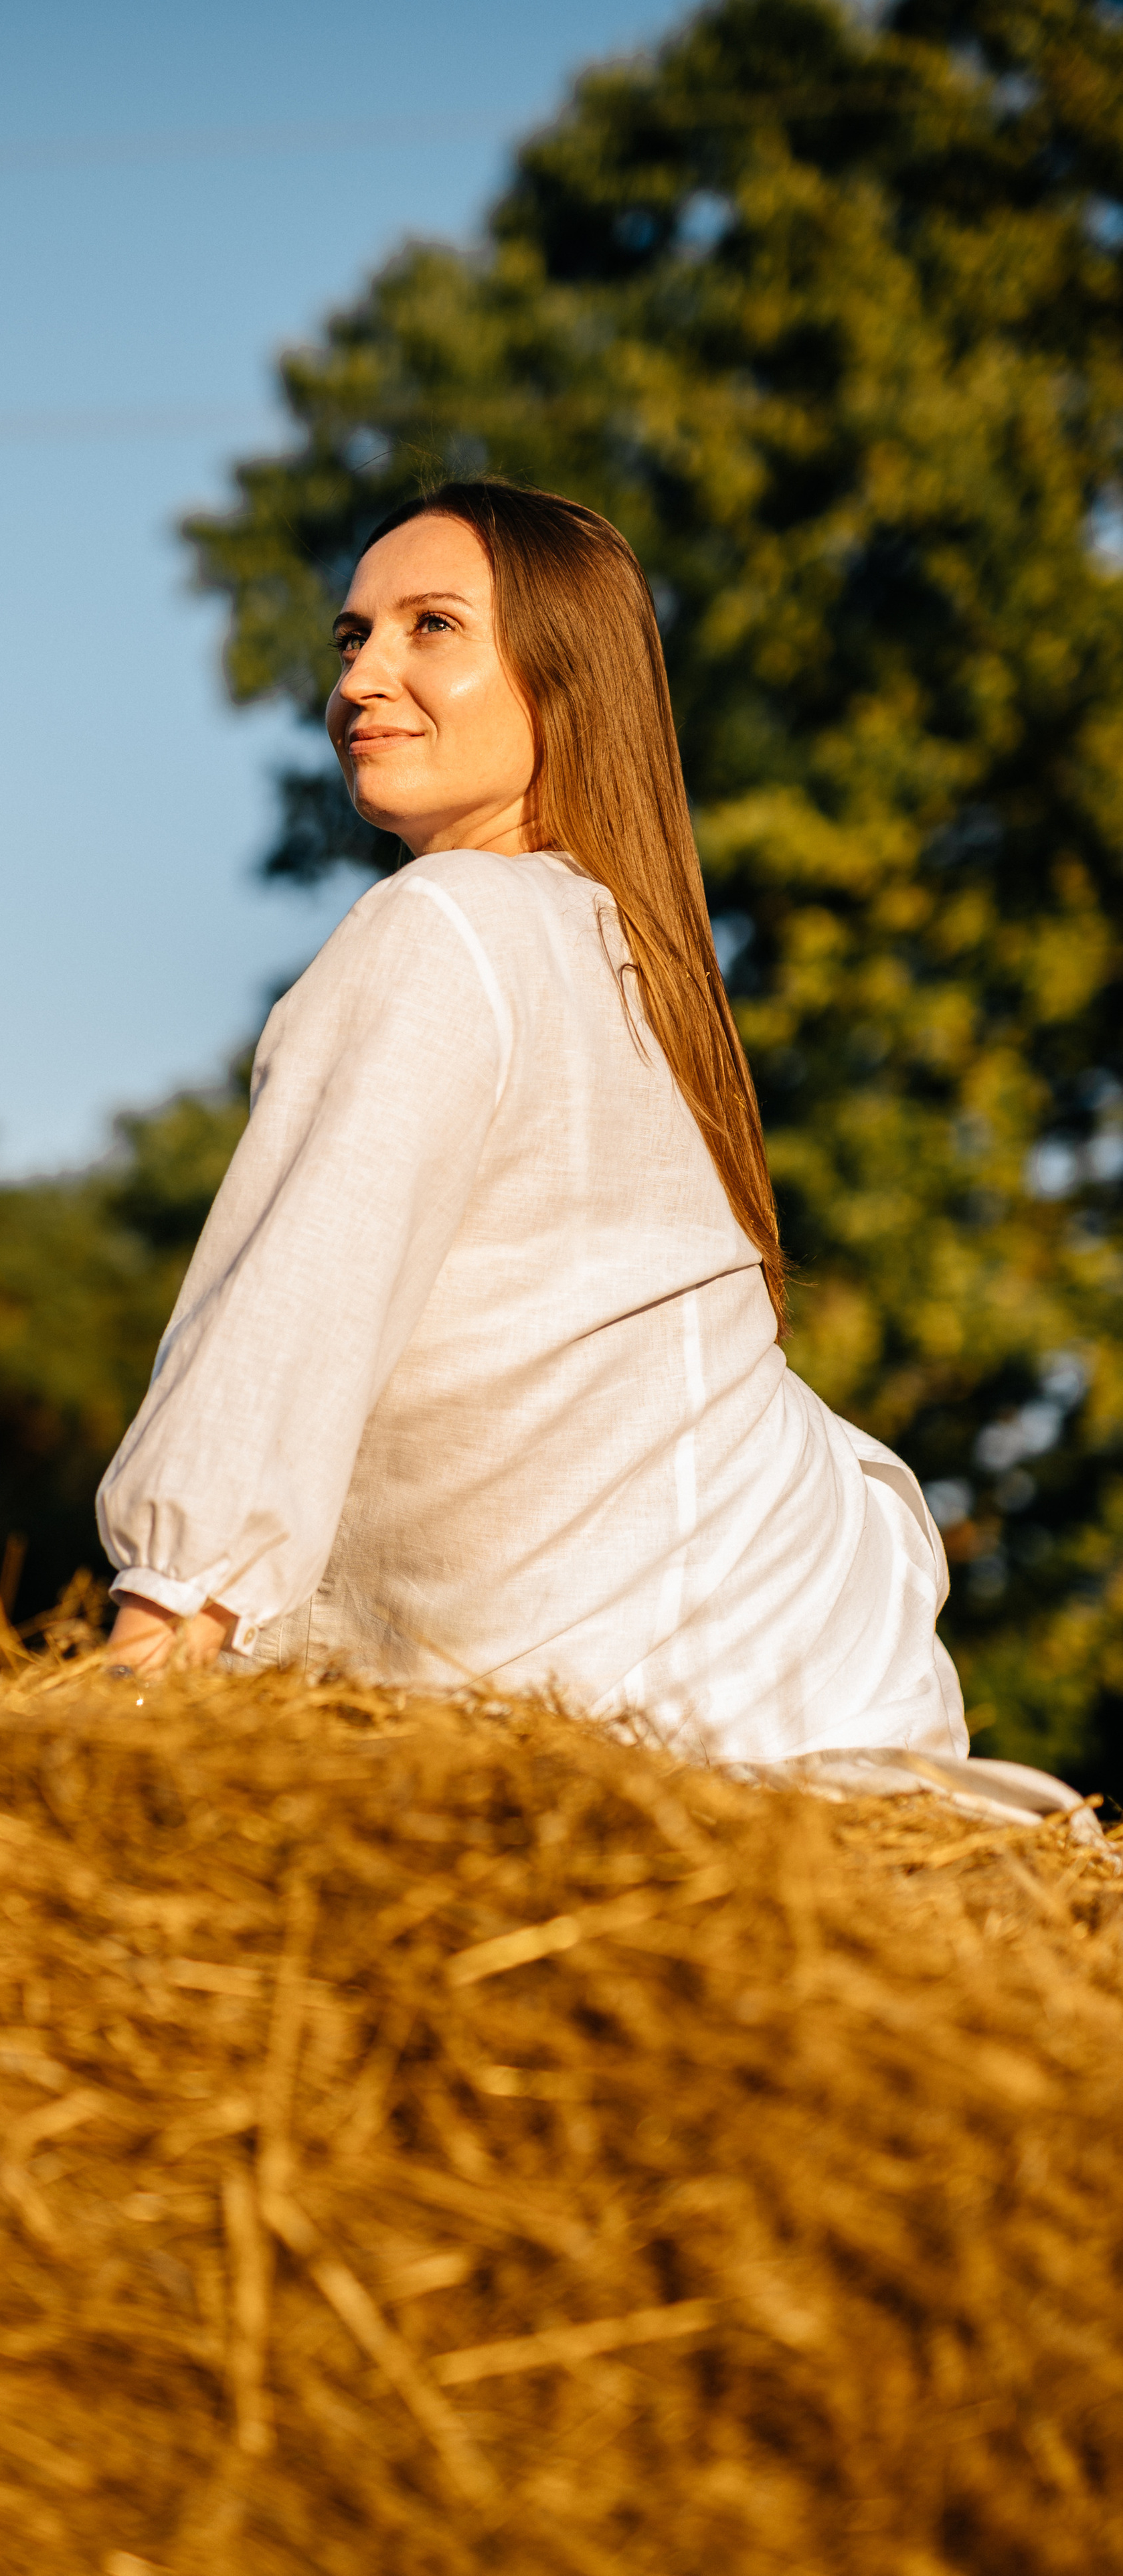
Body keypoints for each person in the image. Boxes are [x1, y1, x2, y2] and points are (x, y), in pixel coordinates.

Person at [96, 479, 965, 1766]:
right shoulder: (619, 958)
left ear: (561, 679)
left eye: (430, 626)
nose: (361, 677)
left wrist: (134, 1682)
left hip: (682, 1709)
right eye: (353, 638)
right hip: (790, 1691)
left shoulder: (450, 925)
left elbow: (290, 1315)